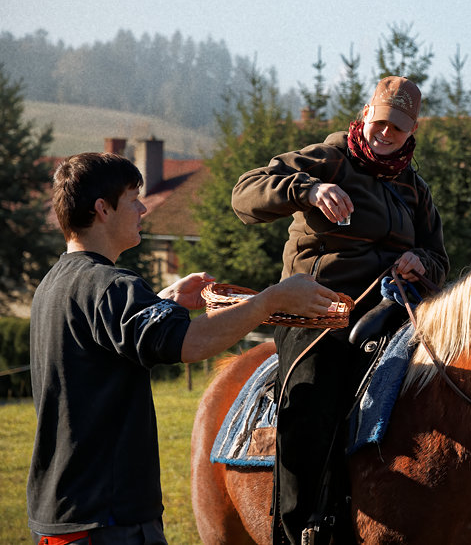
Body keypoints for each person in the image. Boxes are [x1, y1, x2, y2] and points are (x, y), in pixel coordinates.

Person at [27, 152, 337, 545]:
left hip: (62, 513)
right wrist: (270, 300)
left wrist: (164, 302)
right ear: (102, 209)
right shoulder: (110, 285)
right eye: (132, 199)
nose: (142, 209)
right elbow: (191, 344)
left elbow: (109, 338)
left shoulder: (56, 284)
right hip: (108, 521)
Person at [231, 75, 449, 544]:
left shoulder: (414, 188)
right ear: (367, 114)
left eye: (399, 128)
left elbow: (439, 258)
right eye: (381, 122)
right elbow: (245, 193)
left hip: (395, 310)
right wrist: (306, 190)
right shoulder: (329, 158)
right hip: (316, 309)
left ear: (412, 132)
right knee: (311, 401)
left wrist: (420, 261)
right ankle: (299, 529)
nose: (386, 134)